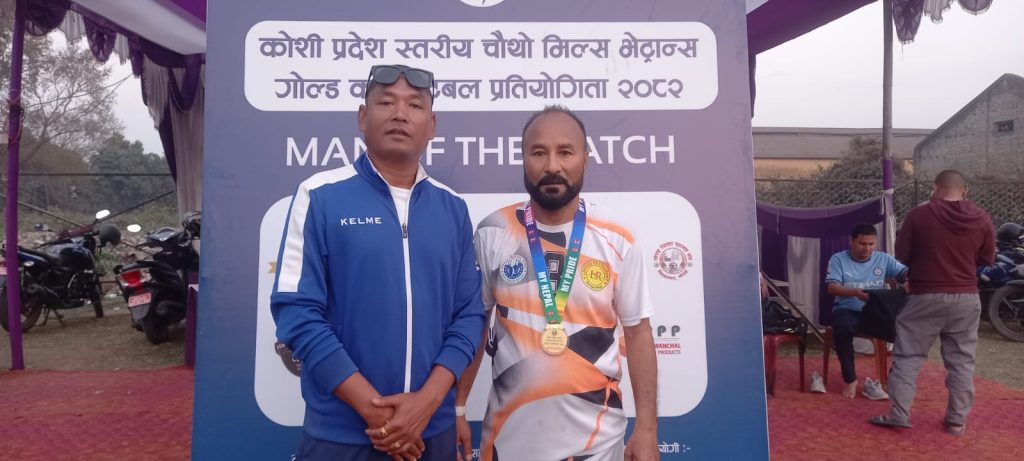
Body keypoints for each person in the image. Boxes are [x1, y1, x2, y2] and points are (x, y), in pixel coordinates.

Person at [271, 64, 486, 460]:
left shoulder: (452, 208)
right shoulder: (320, 196)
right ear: (362, 117)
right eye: (386, 102)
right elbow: (297, 313)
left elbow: (469, 316)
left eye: (414, 105)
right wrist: (377, 413)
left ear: (432, 125)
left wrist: (427, 403)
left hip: (431, 430)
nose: (400, 114)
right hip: (342, 434)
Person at [455, 105, 660, 461]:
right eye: (539, 153)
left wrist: (646, 430)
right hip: (506, 443)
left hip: (597, 447)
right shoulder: (493, 231)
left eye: (565, 152)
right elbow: (476, 325)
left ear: (585, 159)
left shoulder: (617, 237)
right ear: (523, 159)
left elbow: (639, 334)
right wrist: (458, 407)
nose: (552, 165)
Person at [869, 170, 995, 436]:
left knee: (908, 356)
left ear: (935, 189)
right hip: (966, 297)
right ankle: (956, 421)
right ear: (965, 190)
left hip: (925, 295)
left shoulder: (919, 215)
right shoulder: (982, 218)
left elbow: (902, 254)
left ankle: (899, 415)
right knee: (961, 362)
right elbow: (986, 259)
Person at [825, 223, 907, 399]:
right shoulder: (838, 259)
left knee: (905, 331)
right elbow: (832, 287)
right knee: (842, 328)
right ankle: (850, 379)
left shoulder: (883, 259)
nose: (867, 248)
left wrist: (910, 280)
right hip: (847, 309)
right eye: (862, 243)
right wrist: (855, 292)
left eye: (871, 244)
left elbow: (904, 273)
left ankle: (893, 379)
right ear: (851, 241)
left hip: (875, 312)